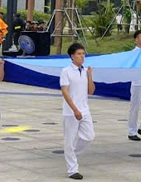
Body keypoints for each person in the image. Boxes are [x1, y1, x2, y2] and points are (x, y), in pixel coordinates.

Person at [60, 42, 95, 180]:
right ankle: (72, 169)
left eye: (83, 54)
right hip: (70, 111)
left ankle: (72, 154)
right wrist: (74, 109)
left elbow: (91, 91)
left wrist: (90, 76)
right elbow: (65, 92)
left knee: (89, 136)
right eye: (79, 54)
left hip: (85, 109)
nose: (82, 57)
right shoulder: (66, 71)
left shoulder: (85, 71)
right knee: (69, 140)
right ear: (72, 56)